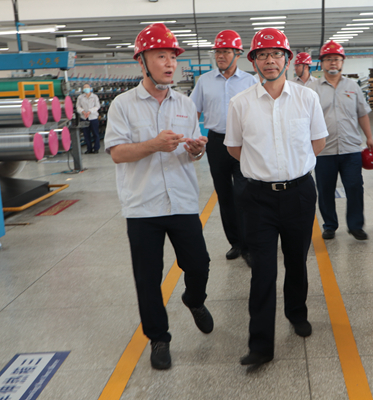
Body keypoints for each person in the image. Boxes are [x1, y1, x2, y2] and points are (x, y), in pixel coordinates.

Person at [104, 23, 213, 370]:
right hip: (143, 206)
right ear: (142, 62)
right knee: (148, 278)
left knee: (199, 264)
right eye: (161, 56)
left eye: (172, 57)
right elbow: (117, 153)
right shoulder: (123, 105)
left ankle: (194, 299)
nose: (169, 64)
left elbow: (193, 152)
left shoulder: (185, 104)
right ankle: (159, 338)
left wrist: (197, 150)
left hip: (182, 200)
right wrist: (153, 145)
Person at [225, 28, 328, 369]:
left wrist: (292, 168)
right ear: (253, 61)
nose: (270, 60)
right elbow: (234, 148)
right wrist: (263, 168)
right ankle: (260, 345)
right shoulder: (240, 103)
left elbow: (318, 143)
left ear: (287, 59)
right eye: (262, 55)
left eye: (276, 54)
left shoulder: (306, 98)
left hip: (299, 193)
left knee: (297, 261)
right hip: (258, 198)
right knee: (263, 270)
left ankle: (297, 313)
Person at [190, 30, 256, 264]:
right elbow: (193, 111)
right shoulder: (204, 81)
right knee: (225, 195)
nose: (220, 55)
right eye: (217, 51)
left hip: (243, 143)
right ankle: (235, 243)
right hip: (216, 143)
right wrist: (195, 138)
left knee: (243, 194)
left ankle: (248, 246)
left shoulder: (250, 81)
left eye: (226, 51)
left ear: (237, 54)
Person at [306, 40, 373, 241]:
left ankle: (356, 226)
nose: (333, 63)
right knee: (325, 189)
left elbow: (362, 113)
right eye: (328, 59)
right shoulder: (312, 88)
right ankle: (329, 225)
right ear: (322, 63)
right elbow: (305, 118)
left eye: (336, 59)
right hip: (323, 150)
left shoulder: (352, 86)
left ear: (342, 62)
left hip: (351, 148)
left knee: (354, 187)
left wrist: (369, 137)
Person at [76, 83, 101, 154]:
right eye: (84, 87)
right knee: (86, 134)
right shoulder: (80, 97)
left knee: (95, 133)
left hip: (93, 117)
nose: (86, 88)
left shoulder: (94, 97)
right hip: (84, 117)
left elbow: (97, 106)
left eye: (87, 87)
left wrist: (90, 111)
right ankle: (89, 148)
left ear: (90, 88)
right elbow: (78, 106)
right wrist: (83, 112)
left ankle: (96, 148)